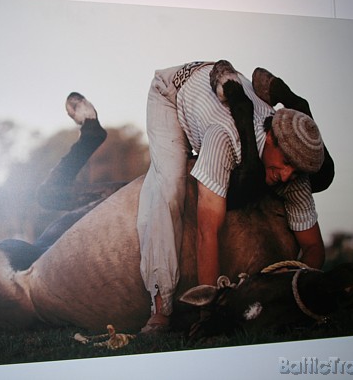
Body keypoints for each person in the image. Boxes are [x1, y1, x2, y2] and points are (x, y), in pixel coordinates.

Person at [137, 60, 332, 333]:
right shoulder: (223, 138)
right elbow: (208, 230)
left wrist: (289, 292)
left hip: (225, 90)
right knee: (169, 187)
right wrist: (210, 310)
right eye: (286, 162)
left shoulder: (293, 167)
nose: (287, 175)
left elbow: (314, 248)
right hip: (173, 91)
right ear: (272, 137)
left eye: (295, 169)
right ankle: (160, 308)